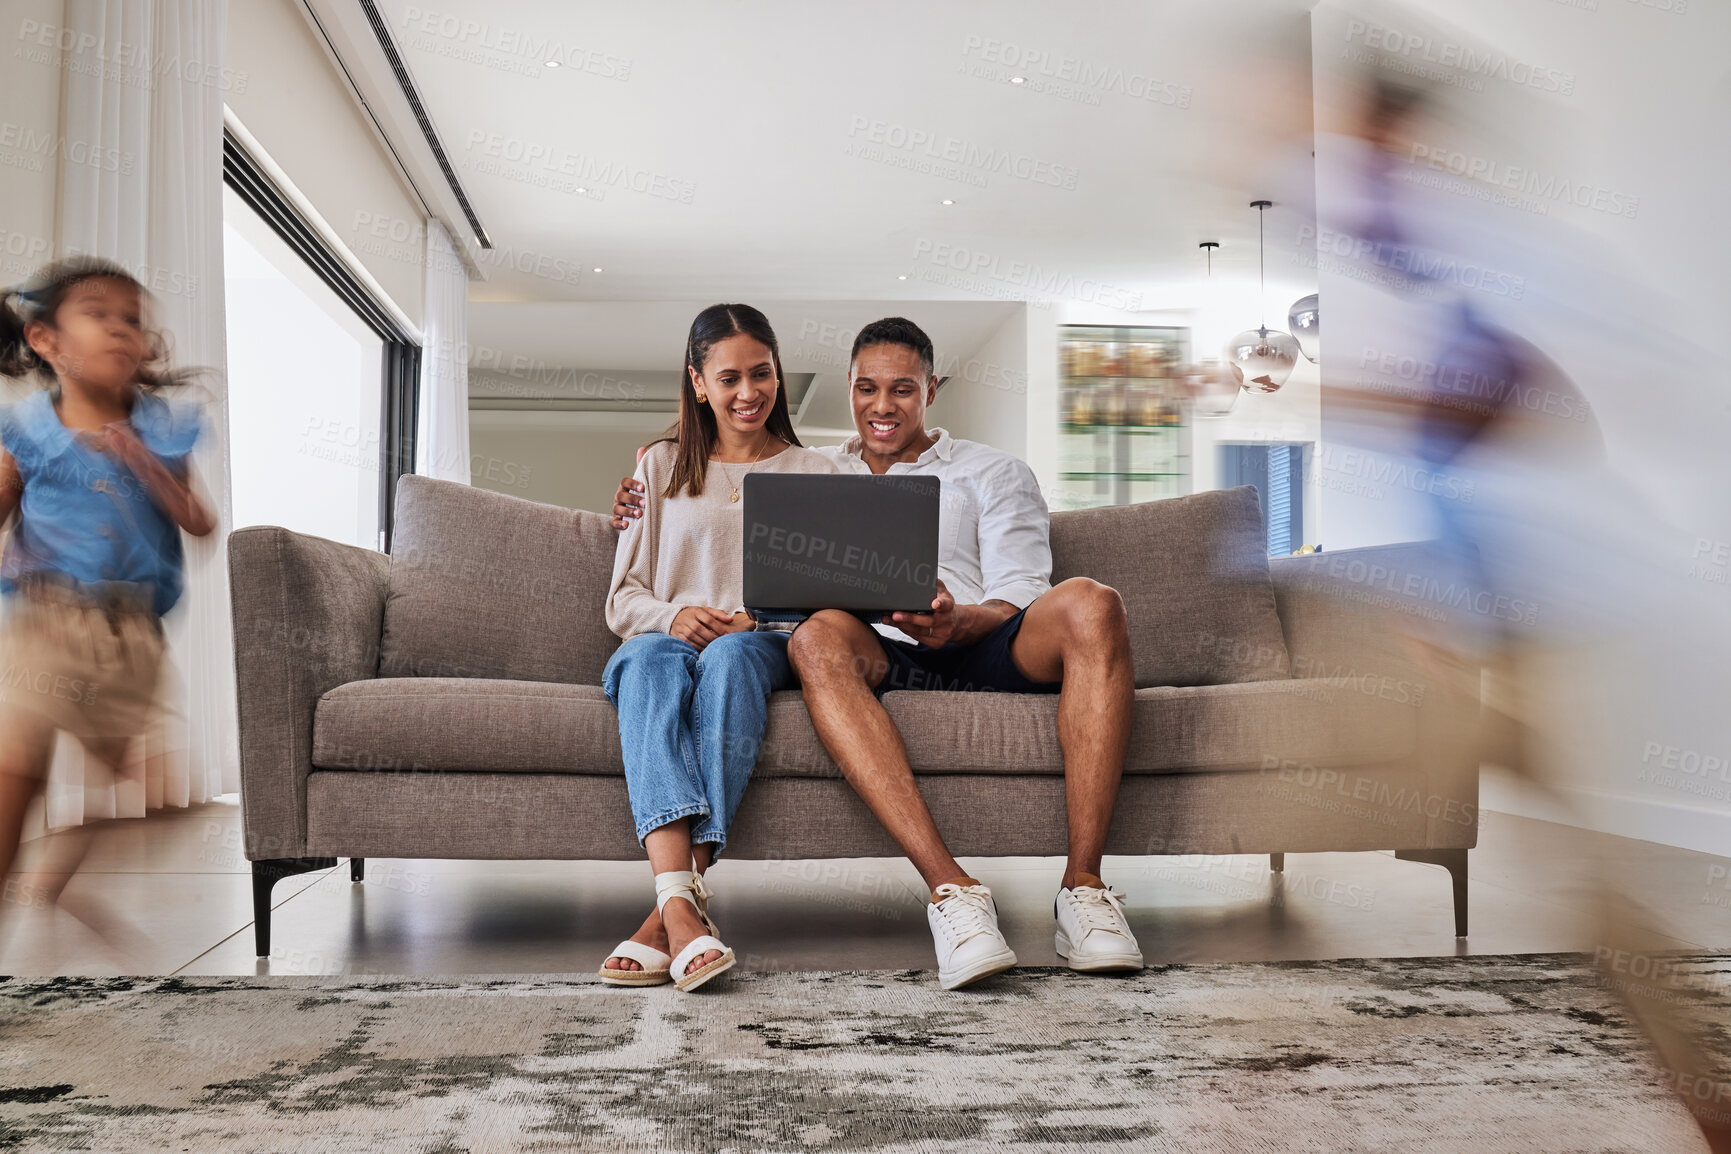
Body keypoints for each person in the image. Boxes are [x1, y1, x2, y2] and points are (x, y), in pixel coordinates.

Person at [613, 317, 1142, 990]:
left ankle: (1085, 889)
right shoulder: (812, 470)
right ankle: (952, 892)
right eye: (867, 389)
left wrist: (962, 619)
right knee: (813, 635)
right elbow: (729, 492)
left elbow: (1020, 592)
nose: (882, 406)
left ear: (931, 388)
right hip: (878, 653)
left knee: (1093, 599)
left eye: (902, 389)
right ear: (849, 389)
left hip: (987, 639)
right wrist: (640, 484)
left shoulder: (993, 471)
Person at [599, 303, 841, 992]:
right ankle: (681, 909)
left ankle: (668, 910)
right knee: (646, 659)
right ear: (697, 383)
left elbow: (833, 608)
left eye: (761, 374)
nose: (747, 392)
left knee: (732, 659)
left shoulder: (815, 472)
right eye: (728, 377)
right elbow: (623, 600)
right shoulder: (658, 466)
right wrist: (674, 617)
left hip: (760, 645)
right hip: (662, 641)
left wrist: (760, 624)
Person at [0, 256, 214, 907]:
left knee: (159, 795)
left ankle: (54, 873)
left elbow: (200, 522)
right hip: (45, 621)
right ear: (46, 341)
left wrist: (143, 463)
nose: (121, 331)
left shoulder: (162, 429)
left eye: (132, 321)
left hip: (131, 637)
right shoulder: (27, 429)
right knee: (14, 775)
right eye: (99, 315)